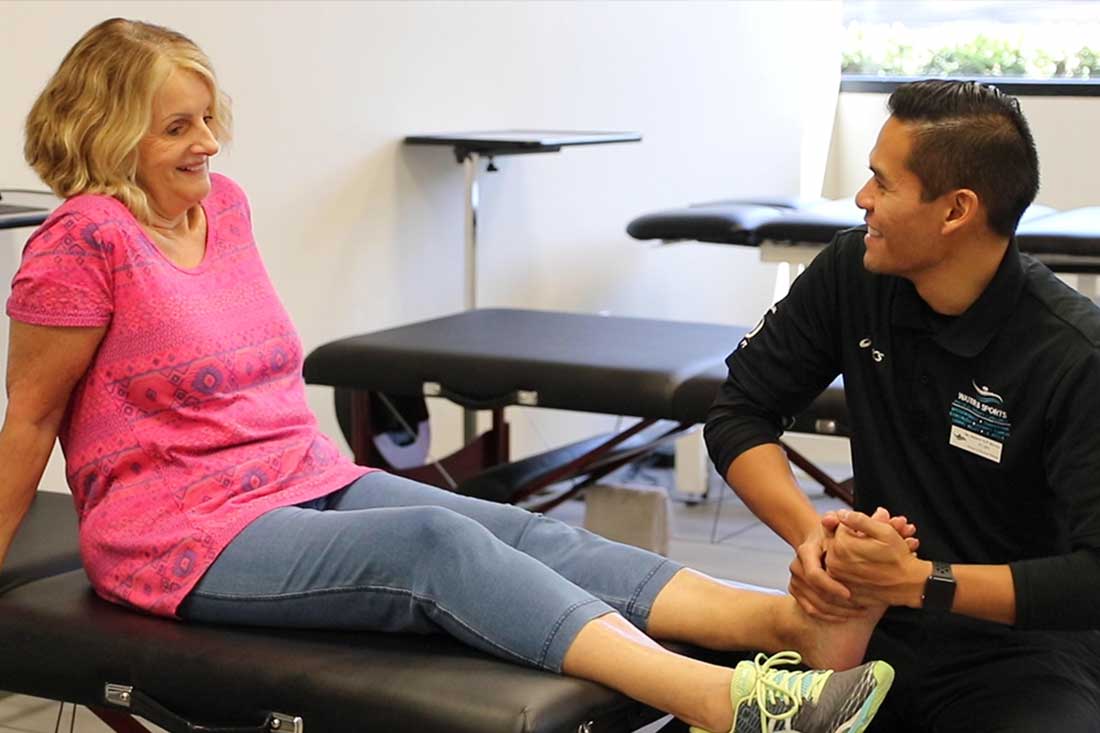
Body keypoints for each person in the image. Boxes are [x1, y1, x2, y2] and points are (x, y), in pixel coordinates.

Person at [0, 18, 895, 733]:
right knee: (435, 545)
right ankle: (721, 700)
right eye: (177, 127)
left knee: (518, 529)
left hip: (299, 475)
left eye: (207, 118)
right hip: (177, 536)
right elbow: (30, 418)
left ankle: (788, 626)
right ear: (108, 133)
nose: (208, 143)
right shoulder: (82, 242)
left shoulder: (221, 207)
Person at [706, 78, 1100, 732]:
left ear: (956, 211)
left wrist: (920, 580)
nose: (862, 199)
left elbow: (1093, 579)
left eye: (882, 184)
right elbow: (739, 412)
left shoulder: (1074, 356)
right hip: (869, 621)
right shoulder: (851, 273)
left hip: (1024, 653)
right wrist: (814, 541)